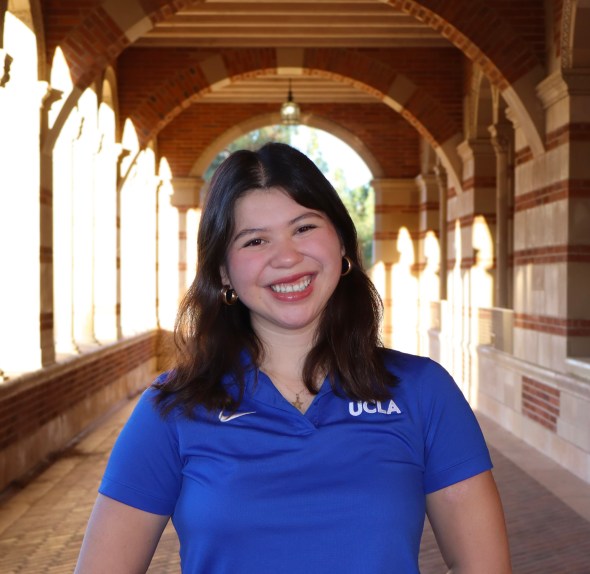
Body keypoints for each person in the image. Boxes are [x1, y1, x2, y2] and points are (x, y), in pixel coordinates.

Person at [75, 142, 512, 573]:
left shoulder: (422, 391)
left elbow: (484, 566)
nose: (286, 257)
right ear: (224, 272)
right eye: (255, 240)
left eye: (304, 228)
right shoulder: (173, 408)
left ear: (341, 241)